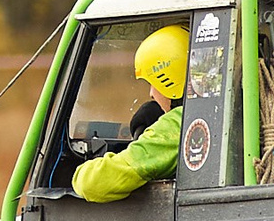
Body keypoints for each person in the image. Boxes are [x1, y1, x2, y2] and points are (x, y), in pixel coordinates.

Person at [72, 25, 188, 203]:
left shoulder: (178, 126)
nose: (151, 93)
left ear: (169, 78)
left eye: (153, 83)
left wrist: (79, 175)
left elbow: (94, 184)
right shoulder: (220, 115)